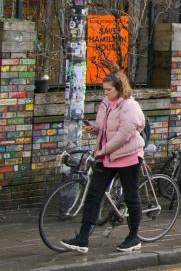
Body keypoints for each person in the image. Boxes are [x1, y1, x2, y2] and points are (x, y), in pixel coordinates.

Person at [61, 71, 145, 254]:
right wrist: (95, 128)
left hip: (128, 156)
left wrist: (103, 150)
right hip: (108, 157)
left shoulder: (130, 106)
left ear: (119, 89)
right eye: (104, 89)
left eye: (108, 89)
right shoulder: (106, 103)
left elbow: (123, 135)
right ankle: (82, 239)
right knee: (94, 195)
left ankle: (134, 237)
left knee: (131, 196)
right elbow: (105, 126)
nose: (105, 93)